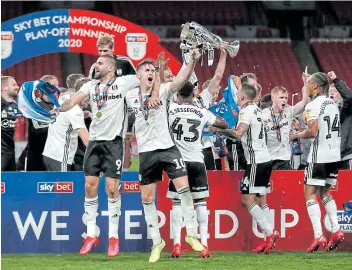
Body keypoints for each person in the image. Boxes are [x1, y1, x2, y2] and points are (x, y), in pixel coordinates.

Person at [125, 49, 204, 263]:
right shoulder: (129, 95)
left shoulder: (164, 90)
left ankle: (191, 234)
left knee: (184, 189)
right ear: (138, 75)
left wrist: (192, 61)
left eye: (153, 69)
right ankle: (157, 242)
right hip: (147, 152)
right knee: (147, 198)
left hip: (168, 148)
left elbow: (181, 79)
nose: (150, 71)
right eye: (146, 69)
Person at [57, 55, 140, 257]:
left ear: (111, 68)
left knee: (112, 189)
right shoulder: (90, 86)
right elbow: (73, 100)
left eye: (100, 63)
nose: (96, 65)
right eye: (95, 63)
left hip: (113, 143)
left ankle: (113, 237)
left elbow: (147, 78)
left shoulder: (123, 82)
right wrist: (60, 107)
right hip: (94, 143)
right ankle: (91, 234)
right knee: (89, 187)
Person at [212, 83, 280, 254]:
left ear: (242, 97)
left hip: (256, 161)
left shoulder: (246, 111)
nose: (236, 98)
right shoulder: (256, 109)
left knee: (246, 200)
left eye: (237, 96)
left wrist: (218, 129)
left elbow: (238, 133)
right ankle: (268, 239)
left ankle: (270, 234)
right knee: (260, 200)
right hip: (265, 160)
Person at [167, 81, 228, 258]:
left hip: (177, 162)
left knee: (177, 202)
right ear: (193, 96)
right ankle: (204, 246)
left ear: (178, 96)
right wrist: (208, 126)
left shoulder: (171, 109)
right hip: (196, 161)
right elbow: (223, 124)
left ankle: (177, 244)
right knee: (200, 202)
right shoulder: (201, 112)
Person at [289, 72, 343, 252]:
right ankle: (336, 230)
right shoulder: (333, 104)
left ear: (315, 87)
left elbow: (312, 131)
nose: (307, 86)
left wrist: (296, 135)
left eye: (309, 84)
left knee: (310, 192)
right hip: (335, 154)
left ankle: (318, 234)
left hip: (319, 155)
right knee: (326, 192)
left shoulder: (314, 104)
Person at [42, 81, 89, 171]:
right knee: (64, 183)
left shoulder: (64, 99)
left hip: (50, 154)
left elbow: (65, 118)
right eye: (88, 95)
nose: (90, 99)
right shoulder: (75, 110)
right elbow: (86, 140)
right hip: (60, 157)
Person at [262, 81, 309, 170]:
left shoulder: (288, 112)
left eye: (286, 98)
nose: (284, 100)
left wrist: (306, 84)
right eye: (281, 97)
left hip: (285, 159)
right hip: (268, 158)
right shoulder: (263, 114)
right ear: (273, 98)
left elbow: (303, 102)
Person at [16, 75, 58, 171]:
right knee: (30, 184)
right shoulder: (35, 104)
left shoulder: (59, 105)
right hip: (36, 153)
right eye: (53, 85)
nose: (56, 88)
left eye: (57, 85)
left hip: (54, 154)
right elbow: (39, 127)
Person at [327, 71, 352, 170]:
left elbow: (349, 98)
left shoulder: (347, 108)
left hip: (345, 155)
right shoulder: (325, 111)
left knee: (347, 185)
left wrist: (336, 81)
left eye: (335, 90)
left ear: (341, 94)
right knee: (330, 185)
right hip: (330, 157)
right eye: (330, 91)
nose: (331, 93)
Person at [1, 76, 20, 171]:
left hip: (11, 151)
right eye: (14, 84)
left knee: (10, 184)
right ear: (5, 87)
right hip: (1, 152)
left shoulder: (15, 105)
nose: (17, 87)